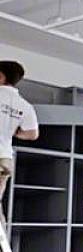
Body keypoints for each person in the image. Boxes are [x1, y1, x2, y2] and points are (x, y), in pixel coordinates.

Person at [0, 61, 39, 203]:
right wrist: (14, 132)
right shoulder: (25, 106)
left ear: (1, 76)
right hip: (5, 158)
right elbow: (32, 134)